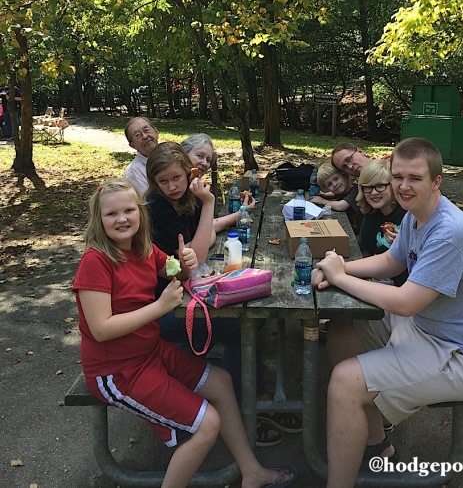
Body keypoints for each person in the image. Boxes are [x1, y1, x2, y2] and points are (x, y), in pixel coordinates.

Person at [313, 138, 463, 488]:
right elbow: (393, 261)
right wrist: (340, 265)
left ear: (436, 181)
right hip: (431, 329)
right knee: (344, 329)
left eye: (415, 178)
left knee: (345, 382)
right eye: (398, 177)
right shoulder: (417, 215)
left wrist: (340, 278)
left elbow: (406, 302)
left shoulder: (450, 231)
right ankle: (377, 442)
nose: (404, 186)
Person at [72, 178, 296, 488]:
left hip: (149, 353)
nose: (122, 219)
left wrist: (186, 262)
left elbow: (173, 269)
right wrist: (160, 307)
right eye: (112, 214)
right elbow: (101, 329)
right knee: (208, 425)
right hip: (117, 372)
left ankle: (251, 472)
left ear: (140, 212)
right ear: (99, 220)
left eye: (128, 210)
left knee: (221, 381)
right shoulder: (95, 262)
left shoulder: (143, 249)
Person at [146, 142, 293, 447]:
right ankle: (249, 411)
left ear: (188, 175)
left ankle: (259, 397)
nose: (172, 186)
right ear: (154, 183)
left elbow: (206, 233)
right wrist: (210, 203)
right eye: (164, 181)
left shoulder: (189, 199)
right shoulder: (156, 208)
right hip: (164, 313)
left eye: (176, 178)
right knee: (242, 326)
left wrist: (231, 214)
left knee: (252, 319)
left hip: (186, 296)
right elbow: (195, 257)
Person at [181, 133, 256, 233]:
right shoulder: (175, 190)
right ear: (183, 154)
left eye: (208, 160)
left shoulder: (197, 189)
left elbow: (207, 227)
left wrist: (242, 212)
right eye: (200, 156)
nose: (204, 163)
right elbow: (204, 234)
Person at [355, 159, 408, 285]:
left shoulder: (408, 214)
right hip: (382, 280)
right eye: (367, 187)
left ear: (393, 186)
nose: (373, 192)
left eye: (380, 186)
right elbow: (365, 253)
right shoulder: (370, 217)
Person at [310, 162, 362, 234]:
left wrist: (322, 201)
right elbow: (336, 194)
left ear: (344, 174)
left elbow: (340, 206)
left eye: (336, 179)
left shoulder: (355, 190)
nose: (334, 184)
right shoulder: (343, 190)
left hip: (358, 233)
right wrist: (325, 195)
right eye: (329, 184)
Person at [124, 116, 159, 195]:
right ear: (132, 145)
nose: (145, 136)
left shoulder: (171, 156)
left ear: (156, 132)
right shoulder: (134, 172)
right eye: (137, 135)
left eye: (146, 130)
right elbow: (148, 204)